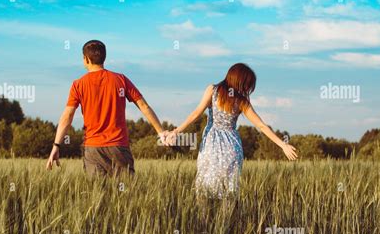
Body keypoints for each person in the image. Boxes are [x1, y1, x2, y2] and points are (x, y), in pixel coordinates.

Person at [166, 63, 298, 198]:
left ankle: (204, 218)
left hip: (211, 146)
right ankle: (228, 217)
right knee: (228, 193)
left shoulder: (213, 90)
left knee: (205, 189)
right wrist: (283, 145)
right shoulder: (242, 102)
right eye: (247, 84)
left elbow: (196, 114)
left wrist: (176, 131)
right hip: (232, 148)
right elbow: (261, 126)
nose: (247, 88)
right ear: (240, 81)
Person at [46, 40, 168, 176]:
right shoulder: (121, 79)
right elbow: (143, 106)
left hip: (93, 149)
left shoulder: (78, 85)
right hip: (119, 147)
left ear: (86, 59)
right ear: (104, 57)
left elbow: (67, 117)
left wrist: (56, 145)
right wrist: (161, 132)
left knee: (97, 194)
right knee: (126, 193)